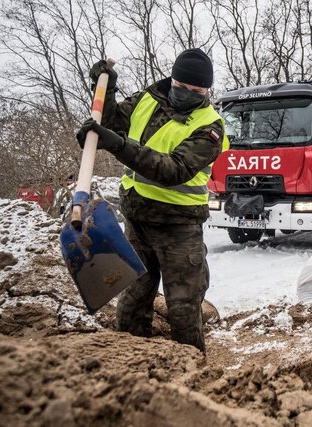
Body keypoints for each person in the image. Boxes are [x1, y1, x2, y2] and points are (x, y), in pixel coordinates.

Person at [75, 49, 228, 352]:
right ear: (173, 79)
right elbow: (112, 120)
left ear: (206, 90)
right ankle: (132, 363)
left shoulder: (210, 126)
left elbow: (174, 169)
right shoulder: (149, 99)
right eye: (182, 86)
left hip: (178, 227)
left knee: (183, 306)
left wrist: (117, 144)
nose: (187, 93)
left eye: (196, 91)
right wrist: (105, 87)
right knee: (133, 297)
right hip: (137, 219)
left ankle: (193, 371)